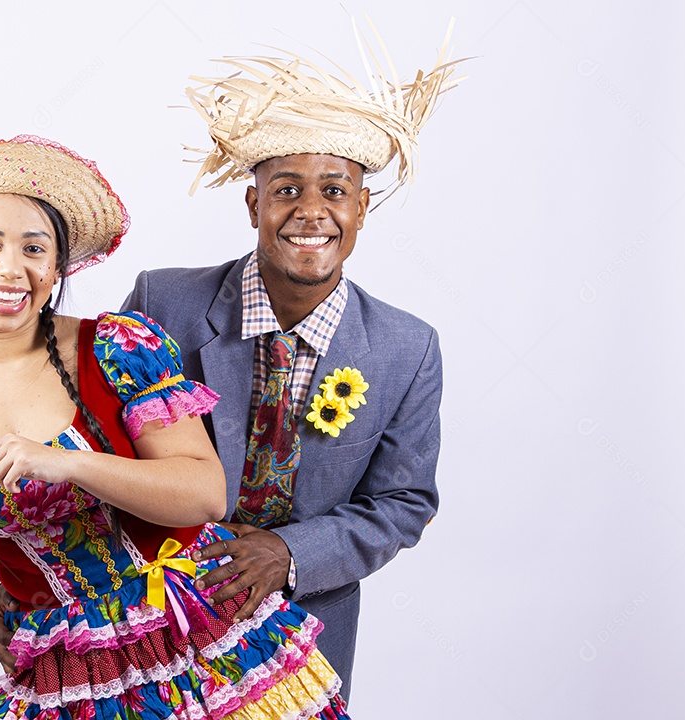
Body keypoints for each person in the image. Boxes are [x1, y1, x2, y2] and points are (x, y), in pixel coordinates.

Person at [0, 135, 351, 718]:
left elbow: (204, 494)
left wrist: (70, 462)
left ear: (57, 267)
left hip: (210, 644)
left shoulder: (116, 347)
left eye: (34, 249)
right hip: (72, 675)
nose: (11, 268)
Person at [120, 24, 463, 701]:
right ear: (254, 203)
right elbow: (82, 440)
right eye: (286, 190)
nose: (311, 211)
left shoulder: (406, 348)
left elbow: (403, 501)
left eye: (335, 190)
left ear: (362, 207)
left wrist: (287, 554)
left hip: (306, 635)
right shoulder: (164, 301)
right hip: (150, 620)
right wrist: (3, 586)